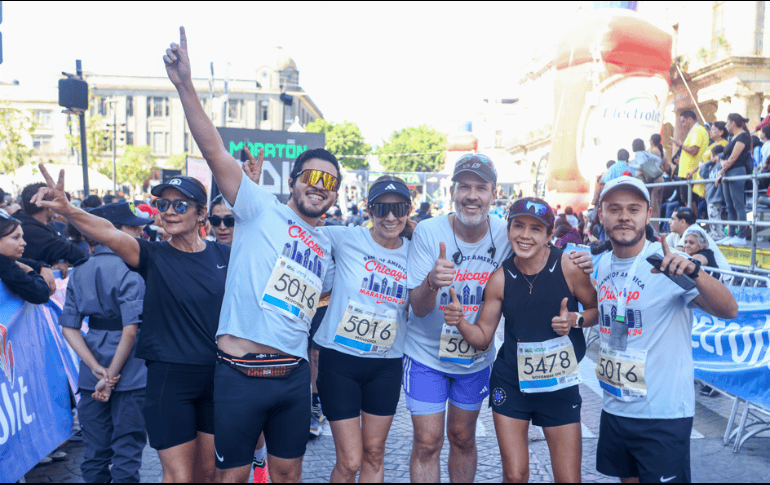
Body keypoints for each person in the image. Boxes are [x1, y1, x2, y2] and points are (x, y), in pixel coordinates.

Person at [164, 27, 339, 482]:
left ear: (336, 194)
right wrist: (185, 85)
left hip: (292, 378)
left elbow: (319, 302)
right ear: (293, 181)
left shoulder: (327, 245)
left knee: (288, 474)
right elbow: (213, 149)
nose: (318, 187)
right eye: (310, 177)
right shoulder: (259, 207)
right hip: (240, 374)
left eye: (329, 182)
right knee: (234, 477)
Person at [403, 153, 594, 483]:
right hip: (428, 355)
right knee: (428, 442)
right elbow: (420, 309)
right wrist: (433, 282)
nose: (472, 195)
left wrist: (578, 262)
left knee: (463, 438)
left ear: (493, 193)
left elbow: (589, 300)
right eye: (464, 187)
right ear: (452, 191)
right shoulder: (430, 233)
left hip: (481, 362)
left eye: (481, 188)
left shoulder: (523, 244)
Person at [32, 168, 231, 483]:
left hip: (217, 377)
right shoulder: (152, 254)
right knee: (179, 476)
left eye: (180, 205)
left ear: (201, 213)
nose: (169, 211)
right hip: (170, 381)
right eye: (163, 205)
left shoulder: (225, 255)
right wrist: (69, 210)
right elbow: (108, 232)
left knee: (207, 473)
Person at [593, 176, 738, 483]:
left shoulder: (670, 262)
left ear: (648, 215)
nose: (624, 216)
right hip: (615, 408)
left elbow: (729, 310)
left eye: (633, 209)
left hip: (662, 415)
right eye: (614, 209)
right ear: (601, 215)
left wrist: (695, 272)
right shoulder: (603, 263)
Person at [444, 197, 598, 483]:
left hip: (559, 383)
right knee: (515, 475)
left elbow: (595, 310)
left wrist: (574, 320)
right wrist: (460, 321)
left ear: (549, 235)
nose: (525, 235)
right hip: (511, 384)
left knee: (568, 478)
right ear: (509, 230)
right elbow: (483, 337)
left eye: (536, 229)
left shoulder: (569, 267)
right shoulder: (500, 278)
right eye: (518, 226)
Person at [314, 176, 413, 482]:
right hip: (339, 362)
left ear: (408, 210)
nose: (390, 217)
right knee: (350, 460)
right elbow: (299, 227)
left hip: (385, 365)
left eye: (398, 208)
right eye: (381, 209)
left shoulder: (415, 251)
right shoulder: (347, 238)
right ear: (369, 210)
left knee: (374, 453)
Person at [58, 202, 152, 483]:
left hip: (92, 372)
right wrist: (111, 376)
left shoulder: (80, 270)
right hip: (131, 371)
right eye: (133, 227)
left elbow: (69, 328)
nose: (140, 232)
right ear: (112, 230)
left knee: (95, 452)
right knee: (127, 451)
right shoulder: (131, 269)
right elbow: (130, 330)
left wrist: (97, 369)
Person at [14, 182, 87, 276]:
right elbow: (77, 254)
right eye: (55, 201)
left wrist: (60, 262)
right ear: (48, 205)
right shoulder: (32, 230)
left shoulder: (19, 220)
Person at [716, 113, 753, 246]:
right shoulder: (733, 137)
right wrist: (722, 165)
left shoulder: (743, 136)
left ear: (732, 123)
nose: (726, 126)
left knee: (738, 205)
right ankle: (731, 234)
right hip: (728, 172)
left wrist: (720, 172)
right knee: (729, 205)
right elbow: (726, 156)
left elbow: (733, 158)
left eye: (727, 123)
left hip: (736, 171)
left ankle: (741, 236)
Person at [0, 212, 53, 304]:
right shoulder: (3, 263)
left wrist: (42, 266)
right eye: (15, 237)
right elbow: (42, 294)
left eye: (22, 237)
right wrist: (29, 270)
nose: (24, 243)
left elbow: (22, 261)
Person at [672, 110, 709, 216]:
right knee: (688, 201)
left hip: (691, 173)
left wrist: (680, 145)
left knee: (690, 201)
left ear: (690, 119)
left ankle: (692, 222)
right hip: (689, 172)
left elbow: (693, 150)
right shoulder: (696, 131)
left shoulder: (697, 130)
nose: (682, 125)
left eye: (683, 121)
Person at [701, 145, 727, 241]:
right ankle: (715, 233)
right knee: (712, 216)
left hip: (716, 196)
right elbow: (702, 173)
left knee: (715, 216)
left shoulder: (721, 165)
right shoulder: (712, 167)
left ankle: (719, 235)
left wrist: (719, 157)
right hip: (710, 196)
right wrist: (710, 162)